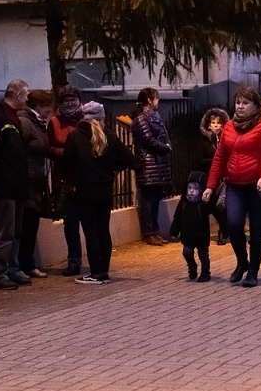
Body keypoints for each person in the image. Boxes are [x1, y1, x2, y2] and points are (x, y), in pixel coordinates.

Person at [204, 87, 261, 286]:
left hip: (257, 186)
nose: (240, 106)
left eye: (245, 103)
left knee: (256, 230)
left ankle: (253, 271)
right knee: (233, 224)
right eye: (238, 102)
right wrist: (210, 186)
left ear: (255, 105)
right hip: (234, 184)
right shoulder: (229, 126)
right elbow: (220, 158)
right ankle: (242, 262)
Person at [59, 102, 135, 284]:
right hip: (105, 190)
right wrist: (112, 169)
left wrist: (74, 177)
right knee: (103, 230)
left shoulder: (75, 136)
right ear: (101, 117)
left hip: (85, 192)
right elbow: (131, 159)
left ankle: (95, 273)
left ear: (83, 117)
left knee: (90, 231)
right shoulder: (110, 136)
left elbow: (66, 165)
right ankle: (104, 271)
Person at [0, 79, 33, 288]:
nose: (28, 98)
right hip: (5, 185)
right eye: (26, 94)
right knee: (5, 231)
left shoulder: (12, 119)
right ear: (18, 95)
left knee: (16, 230)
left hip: (17, 183)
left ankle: (13, 268)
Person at [48, 86, 89, 275]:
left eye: (73, 99)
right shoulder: (54, 122)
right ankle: (74, 260)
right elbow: (49, 148)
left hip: (86, 180)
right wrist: (69, 154)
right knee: (70, 224)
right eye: (65, 100)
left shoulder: (87, 119)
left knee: (90, 222)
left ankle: (95, 257)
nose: (70, 103)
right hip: (65, 180)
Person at [17, 90, 54, 279]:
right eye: (47, 107)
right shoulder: (26, 123)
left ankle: (27, 263)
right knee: (27, 224)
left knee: (31, 224)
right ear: (39, 106)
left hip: (35, 181)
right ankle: (25, 263)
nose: (50, 111)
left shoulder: (36, 123)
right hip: (28, 181)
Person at [130, 88, 174, 247]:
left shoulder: (154, 116)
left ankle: (155, 231)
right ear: (149, 100)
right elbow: (147, 139)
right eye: (156, 98)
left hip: (157, 164)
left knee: (155, 200)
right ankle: (148, 233)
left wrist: (167, 145)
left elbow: (162, 135)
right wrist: (165, 147)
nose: (158, 101)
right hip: (148, 164)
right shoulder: (141, 119)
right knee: (147, 200)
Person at [196, 107, 230, 246]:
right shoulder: (204, 141)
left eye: (218, 123)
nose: (216, 126)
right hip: (208, 177)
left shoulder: (225, 139)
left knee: (220, 207)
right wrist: (216, 160)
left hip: (223, 179)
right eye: (213, 123)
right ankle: (205, 234)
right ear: (208, 125)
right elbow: (200, 159)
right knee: (208, 206)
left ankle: (223, 231)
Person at [172, 173, 212, 282]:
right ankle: (192, 266)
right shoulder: (183, 203)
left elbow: (214, 211)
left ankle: (205, 273)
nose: (191, 191)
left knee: (203, 256)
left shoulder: (203, 204)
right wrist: (174, 231)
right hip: (187, 236)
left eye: (195, 189)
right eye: (189, 188)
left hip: (202, 236)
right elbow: (177, 217)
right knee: (187, 253)